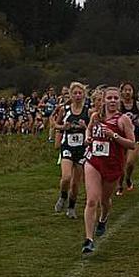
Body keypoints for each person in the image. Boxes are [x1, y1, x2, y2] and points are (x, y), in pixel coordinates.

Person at [81, 86, 137, 254]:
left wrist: (114, 136)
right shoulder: (96, 116)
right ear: (103, 100)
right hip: (94, 161)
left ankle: (103, 219)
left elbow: (132, 144)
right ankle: (88, 239)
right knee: (92, 200)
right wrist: (87, 138)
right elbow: (89, 129)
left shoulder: (123, 120)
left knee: (105, 201)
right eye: (109, 98)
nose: (112, 101)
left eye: (115, 98)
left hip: (113, 165)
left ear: (119, 100)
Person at [53, 82, 90, 219]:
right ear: (71, 95)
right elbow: (56, 124)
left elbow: (92, 129)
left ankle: (71, 207)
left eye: (80, 93)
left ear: (84, 95)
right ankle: (63, 196)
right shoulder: (65, 110)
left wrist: (85, 126)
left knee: (75, 183)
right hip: (67, 146)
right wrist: (64, 127)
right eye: (75, 93)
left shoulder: (88, 111)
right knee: (66, 177)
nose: (78, 95)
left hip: (81, 149)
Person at [117, 81, 139, 194]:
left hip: (135, 137)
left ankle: (128, 178)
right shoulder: (119, 105)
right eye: (125, 90)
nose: (128, 92)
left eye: (130, 90)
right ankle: (119, 185)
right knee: (121, 163)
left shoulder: (138, 105)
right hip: (121, 137)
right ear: (122, 92)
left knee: (130, 162)